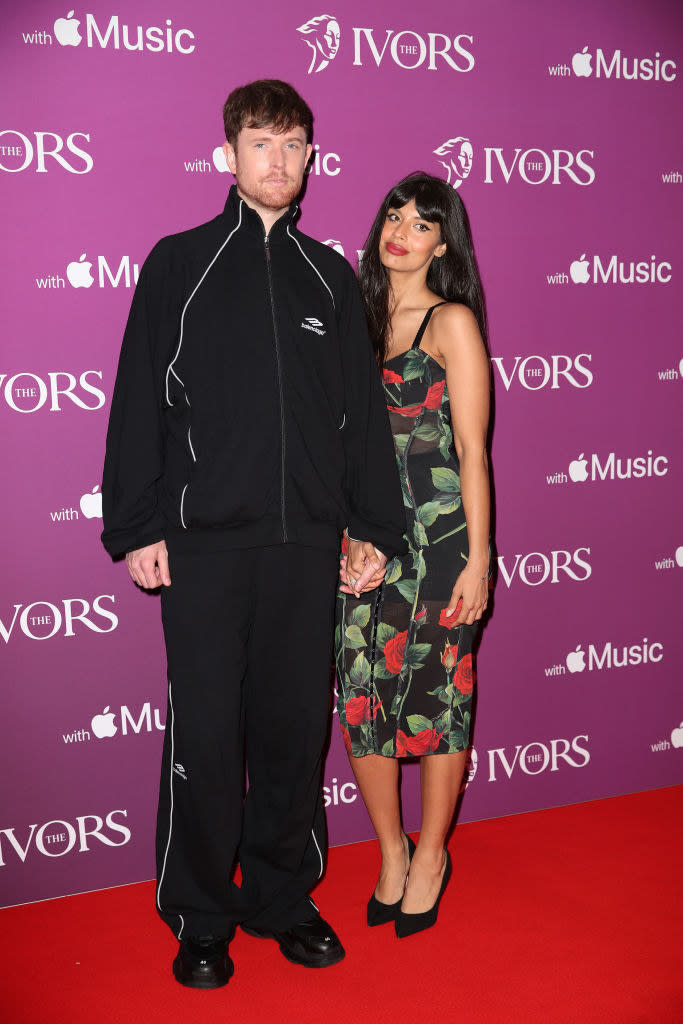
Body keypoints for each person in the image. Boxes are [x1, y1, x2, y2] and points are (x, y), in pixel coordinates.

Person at [101, 80, 406, 988]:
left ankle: (281, 896)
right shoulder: (178, 264)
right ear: (227, 156)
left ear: (312, 157)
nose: (278, 159)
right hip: (202, 547)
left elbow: (360, 418)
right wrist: (136, 525)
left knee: (289, 730)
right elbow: (137, 406)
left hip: (305, 545)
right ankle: (201, 913)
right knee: (204, 733)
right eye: (260, 143)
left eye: (293, 144)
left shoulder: (328, 278)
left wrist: (374, 528)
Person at [335, 172, 491, 937]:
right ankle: (390, 852)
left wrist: (479, 558)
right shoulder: (349, 318)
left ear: (441, 242)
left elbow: (471, 451)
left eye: (421, 223)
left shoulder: (449, 321)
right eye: (393, 215)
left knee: (436, 700)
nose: (400, 230)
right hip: (362, 543)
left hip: (439, 546)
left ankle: (431, 855)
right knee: (361, 700)